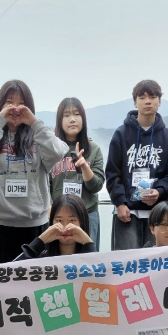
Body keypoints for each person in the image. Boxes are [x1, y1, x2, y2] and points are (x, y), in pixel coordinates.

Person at [0, 80, 68, 264]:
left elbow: (58, 151)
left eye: (21, 103)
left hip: (34, 225)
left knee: (34, 279)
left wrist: (34, 123)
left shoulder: (38, 136)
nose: (15, 108)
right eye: (9, 103)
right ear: (0, 106)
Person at [106, 80, 168, 250]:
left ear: (159, 101)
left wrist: (159, 191)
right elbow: (112, 172)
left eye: (153, 97)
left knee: (156, 260)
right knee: (126, 260)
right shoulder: (121, 134)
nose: (148, 101)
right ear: (135, 102)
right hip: (127, 212)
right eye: (142, 98)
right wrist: (120, 202)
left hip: (159, 214)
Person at [49, 97, 105, 248]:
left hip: (87, 215)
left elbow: (96, 186)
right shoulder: (52, 149)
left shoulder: (94, 149)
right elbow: (44, 184)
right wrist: (49, 209)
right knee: (58, 258)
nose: (72, 119)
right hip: (58, 218)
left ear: (83, 119)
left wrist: (85, 167)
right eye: (66, 115)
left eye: (77, 114)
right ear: (59, 120)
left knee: (89, 258)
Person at [16, 194, 95, 259]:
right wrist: (41, 240)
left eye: (72, 220)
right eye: (59, 220)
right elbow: (13, 268)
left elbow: (99, 268)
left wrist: (88, 243)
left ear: (82, 222)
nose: (65, 227)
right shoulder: (42, 255)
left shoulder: (88, 254)